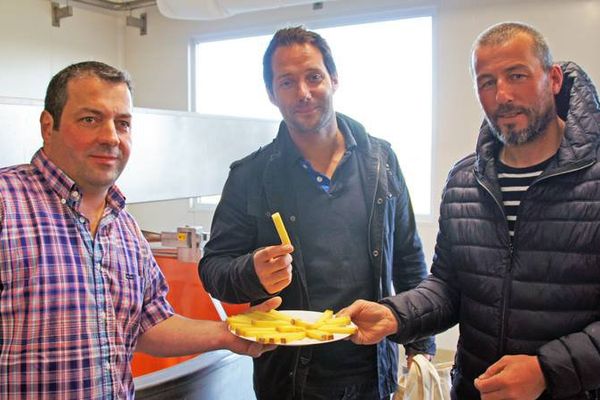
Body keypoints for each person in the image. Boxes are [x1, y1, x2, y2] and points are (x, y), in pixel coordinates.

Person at [339, 21, 600, 400]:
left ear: (554, 79)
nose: (503, 95)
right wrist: (396, 315)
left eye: (517, 75)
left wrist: (546, 370)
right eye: (487, 82)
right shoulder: (465, 179)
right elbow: (448, 286)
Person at [0, 61, 278, 399]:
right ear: (48, 126)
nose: (110, 137)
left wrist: (230, 332)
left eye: (123, 123)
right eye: (90, 119)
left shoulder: (125, 226)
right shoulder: (7, 204)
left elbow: (150, 324)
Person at [199, 26, 434, 400]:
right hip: (289, 378)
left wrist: (420, 346)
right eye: (287, 82)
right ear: (272, 93)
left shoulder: (381, 161)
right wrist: (251, 272)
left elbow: (408, 258)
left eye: (313, 77)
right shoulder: (251, 175)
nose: (303, 93)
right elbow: (213, 270)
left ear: (334, 79)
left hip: (373, 371)